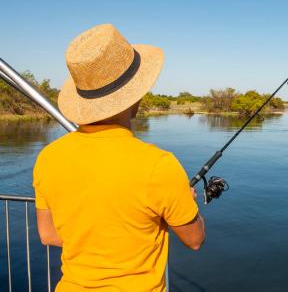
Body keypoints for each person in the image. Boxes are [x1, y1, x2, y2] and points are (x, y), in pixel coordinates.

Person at [33, 23, 205, 292]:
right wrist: (183, 202)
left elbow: (49, 235)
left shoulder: (48, 157)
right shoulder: (158, 165)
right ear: (134, 96)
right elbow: (194, 240)